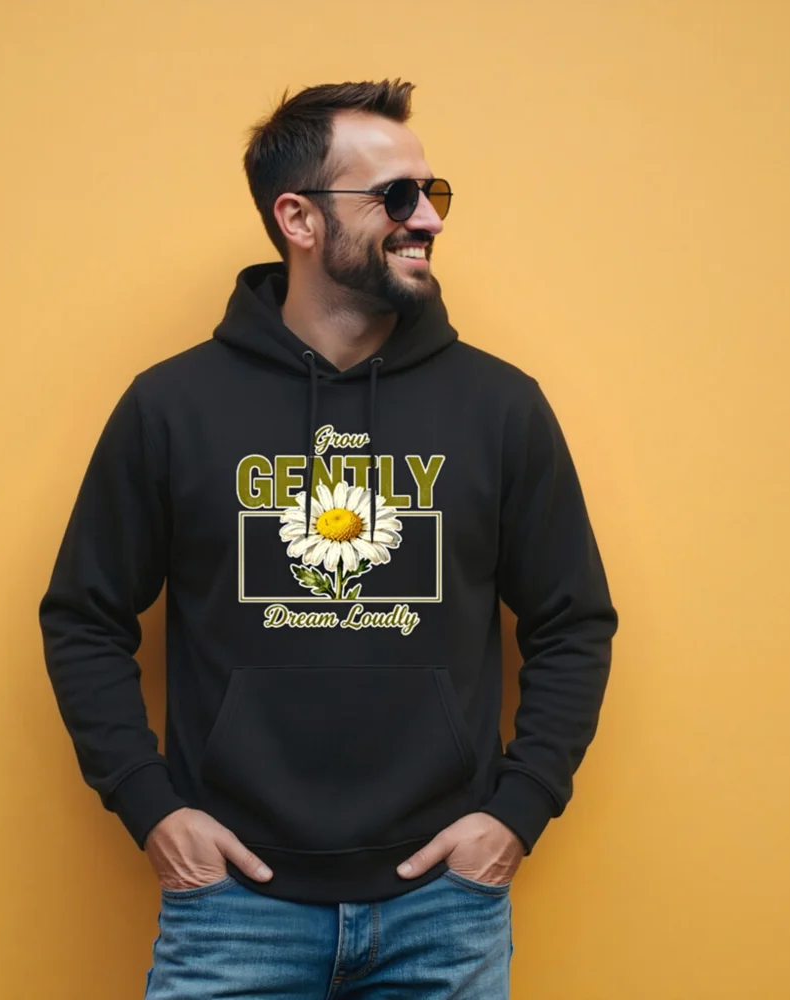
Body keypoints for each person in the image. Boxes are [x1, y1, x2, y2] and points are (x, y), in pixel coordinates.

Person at [38, 78, 619, 999]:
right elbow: (83, 616)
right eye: (397, 195)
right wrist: (152, 809)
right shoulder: (173, 407)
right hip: (233, 909)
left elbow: (573, 622)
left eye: (434, 193)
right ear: (299, 218)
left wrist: (518, 812)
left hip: (445, 912)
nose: (428, 217)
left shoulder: (500, 407)